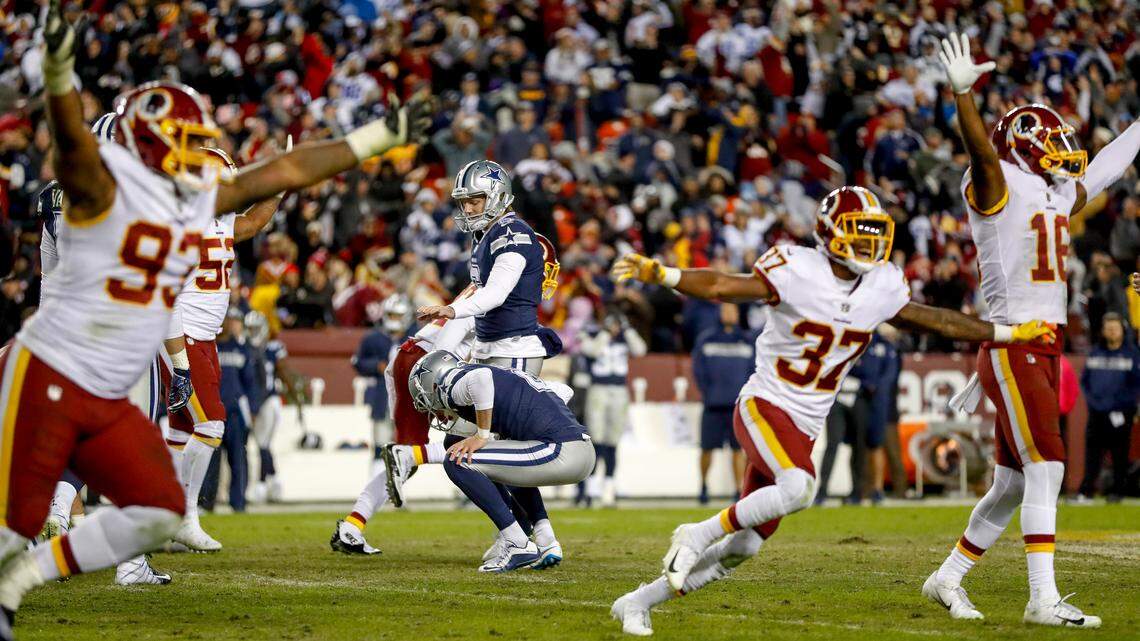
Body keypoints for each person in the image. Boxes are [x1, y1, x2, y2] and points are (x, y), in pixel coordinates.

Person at [0, 3, 424, 632]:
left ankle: (26, 579)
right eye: (177, 140)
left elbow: (283, 170)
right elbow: (68, 139)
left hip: (127, 366)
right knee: (21, 510)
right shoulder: (90, 186)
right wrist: (60, 71)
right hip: (59, 365)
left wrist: (374, 139)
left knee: (157, 509)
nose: (191, 153)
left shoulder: (191, 196)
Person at [607, 184, 1053, 637]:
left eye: (875, 232)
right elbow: (724, 285)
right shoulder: (797, 268)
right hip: (767, 403)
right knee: (800, 487)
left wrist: (1008, 334)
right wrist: (662, 272)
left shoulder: (881, 284)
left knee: (745, 547)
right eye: (859, 232)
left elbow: (934, 318)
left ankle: (636, 602)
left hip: (806, 423)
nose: (869, 242)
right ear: (829, 232)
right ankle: (696, 532)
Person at [926, 33, 1140, 627]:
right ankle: (1041, 598)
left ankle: (947, 578)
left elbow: (1106, 167)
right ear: (1020, 148)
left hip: (1043, 345)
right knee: (1048, 466)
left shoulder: (1050, 193)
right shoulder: (999, 185)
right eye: (1047, 141)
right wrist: (964, 96)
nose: (1060, 150)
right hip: (1014, 341)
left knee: (1013, 485)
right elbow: (979, 154)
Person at [415, 160, 565, 569]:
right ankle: (538, 536)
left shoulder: (513, 234)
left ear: (498, 194)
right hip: (492, 345)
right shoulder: (488, 233)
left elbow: (495, 294)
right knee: (466, 444)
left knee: (486, 450)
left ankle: (518, 538)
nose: (469, 208)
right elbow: (479, 292)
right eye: (465, 201)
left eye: (476, 198)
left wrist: (451, 311)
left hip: (514, 346)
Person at [161, 145, 284, 552]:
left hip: (206, 337)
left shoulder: (216, 219)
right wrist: (177, 357)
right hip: (183, 335)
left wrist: (279, 186)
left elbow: (252, 223)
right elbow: (165, 297)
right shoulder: (175, 224)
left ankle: (163, 519)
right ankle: (184, 516)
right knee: (212, 424)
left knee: (182, 430)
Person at [397, 351, 594, 572]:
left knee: (457, 460)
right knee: (500, 457)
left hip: (559, 451)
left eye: (427, 399)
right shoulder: (501, 374)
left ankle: (516, 543)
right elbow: (563, 390)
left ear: (434, 383)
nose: (434, 411)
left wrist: (481, 435)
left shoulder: (453, 381)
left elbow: (481, 379)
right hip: (581, 448)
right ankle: (546, 540)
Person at [330, 297, 476, 555]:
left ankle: (352, 526)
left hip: (409, 358)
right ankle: (517, 535)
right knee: (482, 447)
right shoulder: (500, 288)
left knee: (408, 461)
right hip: (435, 364)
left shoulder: (478, 288)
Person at [579, 311, 647, 507]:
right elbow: (591, 351)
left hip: (619, 390)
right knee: (596, 439)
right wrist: (606, 333)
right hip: (598, 389)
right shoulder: (595, 335)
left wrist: (628, 331)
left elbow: (640, 350)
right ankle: (591, 491)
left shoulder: (626, 338)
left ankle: (609, 488)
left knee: (613, 440)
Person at [691, 303, 753, 504]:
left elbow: (753, 371)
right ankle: (703, 486)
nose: (728, 313)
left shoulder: (745, 340)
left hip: (737, 406)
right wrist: (708, 393)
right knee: (707, 448)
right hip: (713, 405)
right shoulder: (707, 338)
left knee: (738, 450)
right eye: (725, 310)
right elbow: (698, 370)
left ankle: (738, 489)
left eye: (732, 310)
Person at [1077, 313, 1140, 501]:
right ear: (1103, 331)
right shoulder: (1095, 352)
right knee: (1092, 454)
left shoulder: (1132, 354)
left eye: (1115, 328)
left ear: (1122, 330)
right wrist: (1095, 403)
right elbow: (1085, 382)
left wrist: (1117, 405)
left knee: (1120, 453)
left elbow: (1135, 385)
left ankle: (1117, 491)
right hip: (1097, 412)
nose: (1112, 331)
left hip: (1121, 412)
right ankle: (1087, 490)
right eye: (1108, 328)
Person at [352, 294, 411, 467]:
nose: (394, 319)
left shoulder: (415, 337)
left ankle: (400, 484)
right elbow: (358, 362)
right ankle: (380, 485)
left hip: (407, 400)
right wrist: (376, 366)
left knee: (405, 447)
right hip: (382, 397)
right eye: (391, 315)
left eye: (398, 315)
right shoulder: (373, 338)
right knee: (380, 444)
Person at [210, 309, 261, 512]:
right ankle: (206, 503)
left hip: (234, 414)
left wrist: (253, 410)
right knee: (210, 460)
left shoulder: (242, 350)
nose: (231, 324)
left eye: (234, 321)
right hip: (212, 412)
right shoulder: (210, 348)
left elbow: (250, 383)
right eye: (228, 320)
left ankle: (238, 502)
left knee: (238, 458)